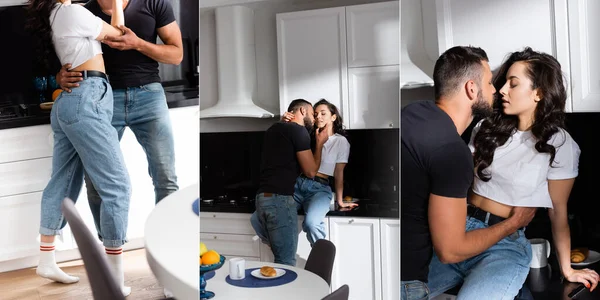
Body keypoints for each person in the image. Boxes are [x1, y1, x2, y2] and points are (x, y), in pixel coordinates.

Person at [427, 47, 600, 299]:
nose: (502, 90)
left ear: (539, 93)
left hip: (504, 244)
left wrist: (567, 269)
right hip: (457, 231)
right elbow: (458, 182)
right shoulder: (485, 127)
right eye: (504, 82)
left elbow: (558, 211)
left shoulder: (560, 143)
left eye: (513, 83)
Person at [55, 1, 183, 296]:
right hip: (102, 99)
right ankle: (109, 251)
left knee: (166, 179)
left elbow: (176, 55)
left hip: (149, 96)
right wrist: (60, 76)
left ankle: (169, 262)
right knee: (97, 183)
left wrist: (137, 43)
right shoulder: (81, 10)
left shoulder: (154, 3)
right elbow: (66, 54)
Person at [401, 45, 537, 300]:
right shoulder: (451, 151)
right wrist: (513, 224)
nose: (496, 90)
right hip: (407, 283)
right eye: (489, 82)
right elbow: (450, 251)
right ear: (471, 89)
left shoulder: (412, 113)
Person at [26, 0, 132, 296]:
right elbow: (120, 35)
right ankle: (113, 279)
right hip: (86, 98)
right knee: (117, 186)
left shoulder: (58, 13)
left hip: (71, 101)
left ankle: (46, 259)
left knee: (62, 182)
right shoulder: (73, 11)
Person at [251, 99, 329, 266]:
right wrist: (320, 144)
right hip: (280, 200)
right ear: (302, 110)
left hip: (262, 199)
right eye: (312, 114)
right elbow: (310, 172)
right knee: (286, 263)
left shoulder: (273, 129)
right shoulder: (298, 131)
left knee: (280, 260)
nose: (315, 119)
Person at [272, 99, 358, 246]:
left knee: (312, 223)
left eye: (323, 113)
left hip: (320, 188)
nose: (318, 117)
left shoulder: (341, 141)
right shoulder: (306, 135)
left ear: (333, 117)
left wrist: (339, 200)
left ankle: (321, 261)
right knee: (270, 217)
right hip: (298, 184)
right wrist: (284, 122)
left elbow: (339, 173)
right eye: (316, 114)